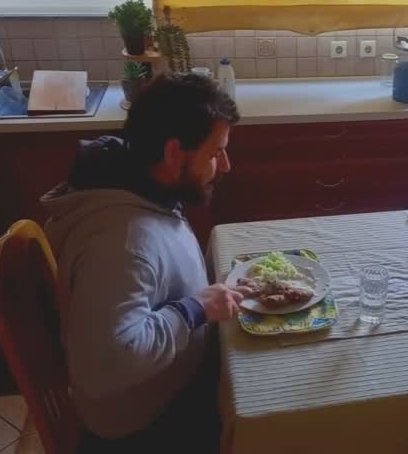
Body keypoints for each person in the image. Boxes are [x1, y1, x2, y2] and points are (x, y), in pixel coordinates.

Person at [41, 72, 251, 453]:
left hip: (164, 382)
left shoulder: (136, 181)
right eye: (215, 152)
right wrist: (195, 308)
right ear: (173, 153)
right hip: (145, 424)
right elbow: (107, 365)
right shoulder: (122, 241)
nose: (226, 166)